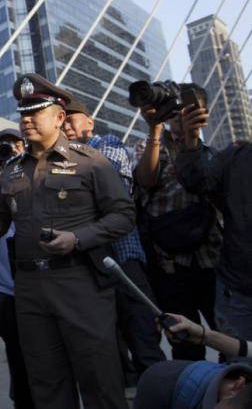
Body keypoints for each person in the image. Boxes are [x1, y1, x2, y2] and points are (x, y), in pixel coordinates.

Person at [0, 73, 135, 409]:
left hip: (80, 282)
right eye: (22, 113)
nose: (25, 120)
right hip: (30, 289)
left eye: (35, 112)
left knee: (100, 382)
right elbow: (0, 219)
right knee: (47, 387)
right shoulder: (12, 170)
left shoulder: (91, 163)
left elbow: (124, 216)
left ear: (60, 117)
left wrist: (77, 239)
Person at [63, 100, 165, 380]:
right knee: (109, 343)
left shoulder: (107, 143)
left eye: (72, 120)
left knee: (142, 333)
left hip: (122, 254)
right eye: (63, 121)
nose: (67, 126)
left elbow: (112, 194)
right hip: (90, 262)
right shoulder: (60, 156)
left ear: (90, 122)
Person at [135, 83, 222, 361]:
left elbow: (200, 183)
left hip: (213, 261)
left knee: (227, 336)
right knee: (185, 347)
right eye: (174, 109)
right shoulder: (152, 148)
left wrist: (191, 137)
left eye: (186, 108)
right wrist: (154, 129)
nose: (178, 115)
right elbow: (146, 180)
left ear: (202, 112)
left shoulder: (214, 156)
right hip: (170, 265)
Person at [175, 103, 252, 341]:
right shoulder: (235, 156)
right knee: (240, 371)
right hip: (238, 289)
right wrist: (191, 138)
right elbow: (196, 182)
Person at [0, 129, 34, 409]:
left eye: (14, 145)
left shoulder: (32, 171)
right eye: (3, 146)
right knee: (18, 363)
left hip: (36, 284)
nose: (8, 150)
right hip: (7, 289)